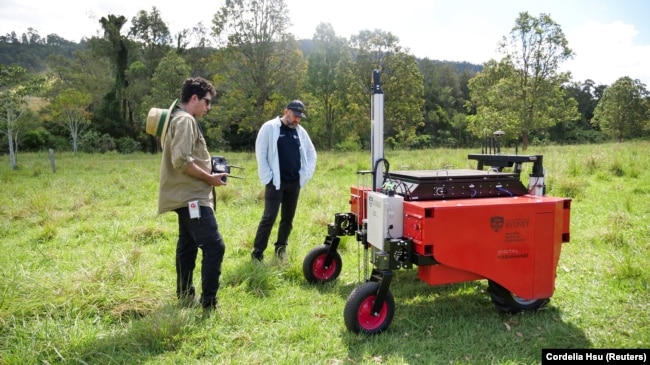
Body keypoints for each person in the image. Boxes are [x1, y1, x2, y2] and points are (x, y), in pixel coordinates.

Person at [157, 77, 227, 316]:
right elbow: (181, 161)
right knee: (214, 246)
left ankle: (185, 295)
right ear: (194, 98)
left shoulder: (177, 118)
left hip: (184, 196)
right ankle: (208, 304)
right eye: (207, 102)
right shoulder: (186, 120)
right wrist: (211, 178)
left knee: (187, 246)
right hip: (192, 198)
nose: (208, 107)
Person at [251, 100, 317, 261]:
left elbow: (311, 152)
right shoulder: (270, 127)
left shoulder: (300, 131)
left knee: (288, 219)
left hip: (294, 182)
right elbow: (261, 153)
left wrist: (305, 173)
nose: (297, 120)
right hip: (275, 182)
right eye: (295, 116)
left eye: (300, 117)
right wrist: (268, 177)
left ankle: (280, 249)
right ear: (286, 111)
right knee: (269, 218)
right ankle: (257, 253)